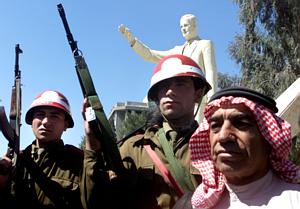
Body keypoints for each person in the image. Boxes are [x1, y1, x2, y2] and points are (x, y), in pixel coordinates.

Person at [83, 54, 211, 209]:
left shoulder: (214, 144)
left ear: (198, 93)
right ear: (157, 97)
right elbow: (96, 203)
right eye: (163, 87)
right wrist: (92, 149)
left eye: (180, 84)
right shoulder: (132, 148)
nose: (170, 92)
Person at [173, 86, 300, 209]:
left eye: (241, 124)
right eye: (216, 125)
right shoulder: (190, 205)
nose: (223, 136)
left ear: (269, 140)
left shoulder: (295, 199)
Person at [0, 90, 109, 209]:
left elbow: (95, 202)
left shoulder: (80, 162)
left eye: (54, 116)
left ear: (66, 125)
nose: (46, 122)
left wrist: (92, 146)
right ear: (31, 121)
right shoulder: (16, 161)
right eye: (40, 114)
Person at [119, 14, 218, 122]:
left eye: (186, 25)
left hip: (200, 99)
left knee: (200, 132)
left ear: (194, 25)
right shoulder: (178, 50)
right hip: (181, 101)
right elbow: (150, 55)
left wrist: (212, 97)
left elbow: (210, 70)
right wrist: (133, 41)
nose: (183, 29)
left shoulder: (205, 44)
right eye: (181, 27)